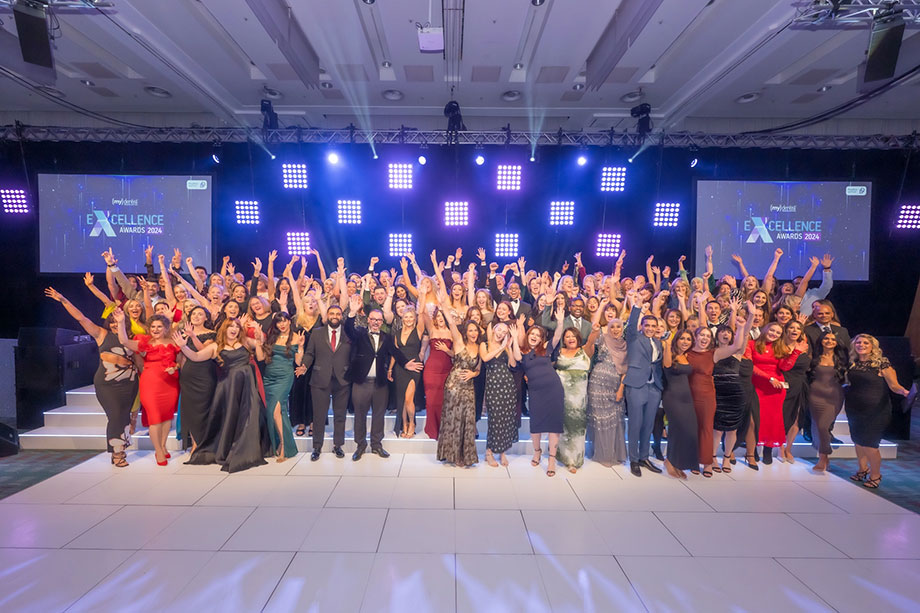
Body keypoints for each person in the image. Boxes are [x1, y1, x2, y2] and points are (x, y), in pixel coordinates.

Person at [45, 288, 138, 467]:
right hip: (107, 384)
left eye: (117, 322)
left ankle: (119, 449)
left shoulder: (131, 338)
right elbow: (81, 318)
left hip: (129, 383)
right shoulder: (101, 334)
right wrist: (63, 300)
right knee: (115, 416)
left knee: (123, 416)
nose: (114, 325)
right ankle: (117, 452)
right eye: (111, 322)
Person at [176, 318, 271, 472]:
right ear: (224, 329)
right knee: (231, 417)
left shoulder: (245, 341)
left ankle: (250, 447)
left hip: (247, 384)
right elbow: (196, 357)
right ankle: (230, 448)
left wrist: (259, 338)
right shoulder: (216, 346)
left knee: (250, 415)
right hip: (229, 387)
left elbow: (260, 357)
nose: (234, 329)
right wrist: (183, 346)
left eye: (236, 326)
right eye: (230, 326)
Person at [344, 296, 422, 460]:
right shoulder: (360, 334)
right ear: (368, 320)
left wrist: (406, 364)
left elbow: (396, 352)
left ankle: (376, 445)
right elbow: (348, 330)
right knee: (360, 416)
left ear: (381, 322)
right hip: (361, 383)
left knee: (379, 416)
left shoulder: (386, 337)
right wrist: (351, 313)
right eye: (373, 319)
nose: (376, 322)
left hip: (379, 383)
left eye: (379, 320)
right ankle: (360, 445)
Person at [115, 309, 180, 466]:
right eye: (153, 327)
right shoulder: (144, 343)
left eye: (159, 326)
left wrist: (175, 368)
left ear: (166, 328)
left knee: (167, 417)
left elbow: (180, 362)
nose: (155, 329)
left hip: (170, 384)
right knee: (155, 418)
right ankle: (158, 451)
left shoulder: (174, 342)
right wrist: (121, 322)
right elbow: (124, 341)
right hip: (150, 383)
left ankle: (163, 446)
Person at [846, 334, 909, 488]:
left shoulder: (882, 363)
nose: (861, 345)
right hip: (854, 408)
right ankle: (862, 469)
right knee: (858, 440)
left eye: (865, 343)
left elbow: (894, 385)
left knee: (869, 444)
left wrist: (904, 391)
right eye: (858, 342)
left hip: (876, 410)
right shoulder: (852, 363)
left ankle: (876, 475)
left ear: (873, 346)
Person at [749, 322, 806, 465]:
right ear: (765, 330)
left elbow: (785, 367)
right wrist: (769, 378)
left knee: (772, 420)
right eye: (772, 330)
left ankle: (768, 450)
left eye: (778, 333)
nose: (774, 334)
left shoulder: (780, 347)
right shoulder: (751, 344)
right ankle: (753, 448)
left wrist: (795, 352)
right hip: (758, 384)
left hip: (775, 388)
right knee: (756, 418)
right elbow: (751, 366)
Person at [302, 304, 352, 461]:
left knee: (340, 415)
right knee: (318, 415)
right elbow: (310, 353)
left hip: (342, 379)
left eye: (338, 313)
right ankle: (317, 447)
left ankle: (338, 445)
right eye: (332, 313)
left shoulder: (348, 333)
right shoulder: (317, 333)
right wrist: (304, 365)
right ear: (327, 316)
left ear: (341, 316)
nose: (335, 316)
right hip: (320, 378)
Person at [623, 289, 664, 477]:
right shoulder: (634, 337)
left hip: (654, 387)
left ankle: (644, 457)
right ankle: (633, 459)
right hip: (636, 385)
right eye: (647, 325)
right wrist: (638, 305)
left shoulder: (659, 342)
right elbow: (631, 324)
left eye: (653, 326)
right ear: (642, 326)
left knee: (648, 425)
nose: (650, 328)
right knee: (635, 424)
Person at [436, 309, 483, 467]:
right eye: (470, 330)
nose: (473, 333)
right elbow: (451, 323)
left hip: (469, 387)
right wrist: (443, 304)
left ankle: (465, 455)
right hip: (454, 386)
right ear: (465, 332)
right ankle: (453, 455)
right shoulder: (459, 343)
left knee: (468, 420)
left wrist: (473, 374)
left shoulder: (480, 347)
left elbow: (478, 369)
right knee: (454, 419)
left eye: (475, 330)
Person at [553, 319, 599, 473]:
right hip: (560, 396)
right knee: (561, 427)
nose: (570, 338)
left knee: (576, 429)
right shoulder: (559, 352)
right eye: (567, 336)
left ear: (578, 338)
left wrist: (594, 330)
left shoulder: (585, 350)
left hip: (578, 401)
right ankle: (560, 456)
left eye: (573, 336)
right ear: (564, 339)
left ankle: (574, 461)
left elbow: (592, 339)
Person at [519, 325, 565, 476]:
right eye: (532, 334)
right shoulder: (522, 351)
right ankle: (537, 451)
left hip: (553, 389)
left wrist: (560, 322)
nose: (534, 337)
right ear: (527, 335)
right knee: (536, 423)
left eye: (537, 335)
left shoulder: (545, 348)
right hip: (535, 391)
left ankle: (552, 459)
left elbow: (557, 336)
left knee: (554, 424)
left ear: (541, 339)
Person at [586, 317, 628, 468]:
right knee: (599, 419)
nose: (615, 329)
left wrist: (621, 389)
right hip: (597, 384)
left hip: (615, 385)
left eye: (618, 326)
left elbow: (625, 370)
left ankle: (613, 454)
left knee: (614, 419)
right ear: (608, 328)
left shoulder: (626, 345)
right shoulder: (603, 339)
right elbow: (589, 345)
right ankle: (602, 454)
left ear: (622, 328)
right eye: (612, 326)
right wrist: (594, 331)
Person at [261, 312, 303, 462]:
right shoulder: (272, 337)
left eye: (284, 321)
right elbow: (263, 356)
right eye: (279, 322)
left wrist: (301, 347)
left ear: (289, 322)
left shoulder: (296, 337)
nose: (282, 324)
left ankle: (284, 447)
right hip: (269, 376)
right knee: (275, 411)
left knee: (276, 411)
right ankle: (280, 444)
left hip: (285, 376)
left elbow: (298, 362)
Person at [481, 321, 521, 467]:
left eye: (505, 332)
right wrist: (501, 347)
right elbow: (485, 358)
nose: (501, 333)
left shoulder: (505, 347)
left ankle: (502, 452)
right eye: (500, 330)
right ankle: (489, 452)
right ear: (494, 330)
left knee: (506, 419)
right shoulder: (485, 345)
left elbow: (513, 364)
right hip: (493, 386)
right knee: (494, 420)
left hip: (507, 385)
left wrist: (509, 346)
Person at [177, 306, 217, 453]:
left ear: (206, 318)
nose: (196, 316)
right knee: (191, 409)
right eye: (194, 314)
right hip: (188, 374)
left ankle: (206, 442)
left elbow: (203, 352)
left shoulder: (212, 333)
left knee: (205, 408)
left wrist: (193, 336)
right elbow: (181, 356)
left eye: (200, 314)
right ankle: (195, 443)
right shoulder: (183, 334)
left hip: (205, 374)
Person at [807, 330, 847, 471]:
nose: (829, 341)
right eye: (826, 339)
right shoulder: (813, 358)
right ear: (821, 341)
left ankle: (823, 457)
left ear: (836, 343)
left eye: (832, 339)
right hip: (814, 396)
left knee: (824, 426)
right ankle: (823, 457)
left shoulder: (842, 359)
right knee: (817, 427)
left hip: (833, 397)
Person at [661, 329, 699, 479]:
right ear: (676, 340)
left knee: (689, 431)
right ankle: (670, 462)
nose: (685, 342)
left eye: (688, 339)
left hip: (687, 398)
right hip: (672, 397)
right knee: (676, 430)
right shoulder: (670, 353)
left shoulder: (687, 356)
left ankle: (678, 463)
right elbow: (667, 366)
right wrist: (667, 344)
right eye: (682, 338)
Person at [779, 320, 811, 463]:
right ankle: (780, 449)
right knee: (783, 417)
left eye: (798, 328)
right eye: (791, 327)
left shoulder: (804, 346)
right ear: (786, 330)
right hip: (784, 385)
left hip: (800, 385)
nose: (794, 330)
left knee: (797, 418)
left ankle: (788, 449)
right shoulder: (780, 346)